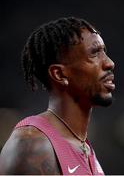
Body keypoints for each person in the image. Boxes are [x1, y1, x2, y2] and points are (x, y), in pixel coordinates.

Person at [0, 16, 115, 175]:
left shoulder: (83, 146)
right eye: (94, 53)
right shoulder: (32, 145)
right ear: (59, 74)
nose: (109, 63)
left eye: (104, 52)